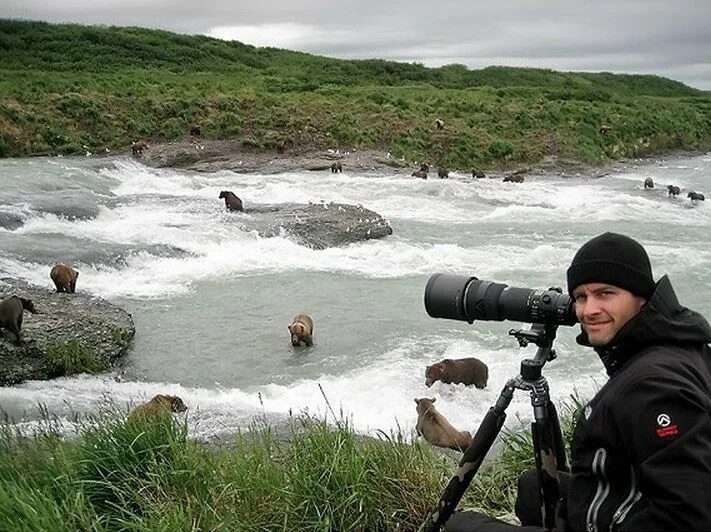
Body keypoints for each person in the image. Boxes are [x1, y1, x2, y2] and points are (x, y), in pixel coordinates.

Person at [444, 232, 711, 531]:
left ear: (641, 297)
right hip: (629, 497)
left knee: (459, 525)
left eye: (605, 293)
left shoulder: (652, 386)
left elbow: (688, 517)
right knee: (532, 487)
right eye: (581, 297)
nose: (588, 310)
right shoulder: (680, 340)